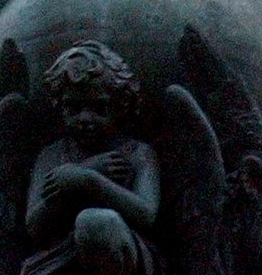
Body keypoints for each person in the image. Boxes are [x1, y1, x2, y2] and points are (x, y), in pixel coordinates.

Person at [24, 42, 161, 275]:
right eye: (73, 108)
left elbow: (146, 214)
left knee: (97, 223)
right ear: (59, 105)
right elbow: (35, 225)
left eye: (99, 107)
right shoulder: (52, 155)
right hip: (59, 259)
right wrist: (82, 174)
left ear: (120, 105)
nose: (85, 118)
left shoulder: (137, 153)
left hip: (123, 256)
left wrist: (88, 180)